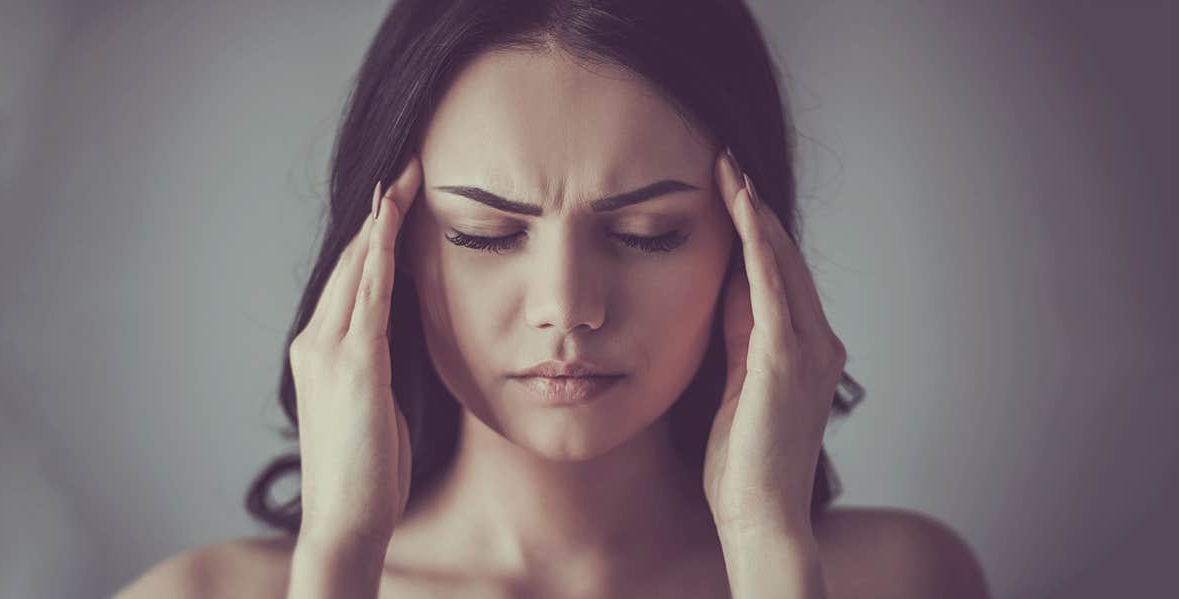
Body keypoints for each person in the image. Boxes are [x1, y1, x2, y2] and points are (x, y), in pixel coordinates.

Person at [113, 1, 989, 597]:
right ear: (391, 246)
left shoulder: (900, 579)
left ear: (753, 249)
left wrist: (769, 548)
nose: (568, 307)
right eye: (486, 235)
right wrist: (339, 564)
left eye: (647, 231)